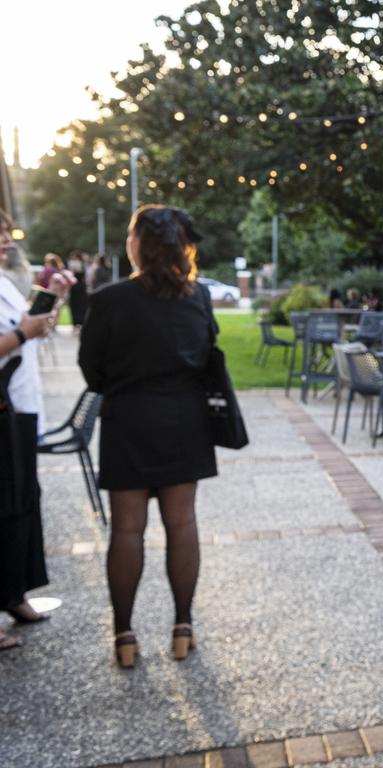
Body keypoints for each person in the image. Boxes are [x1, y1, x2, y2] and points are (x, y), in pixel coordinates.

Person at [79, 205, 217, 669]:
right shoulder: (196, 297)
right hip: (183, 420)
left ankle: (124, 635)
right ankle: (182, 626)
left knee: (127, 530)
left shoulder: (110, 298)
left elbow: (91, 371)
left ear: (138, 243)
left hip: (128, 422)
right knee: (182, 525)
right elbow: (206, 357)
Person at [0, 210, 66, 651]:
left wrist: (49, 308)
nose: (6, 239)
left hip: (19, 409)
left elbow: (26, 328)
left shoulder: (5, 283)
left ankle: (15, 595)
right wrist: (24, 334)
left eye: (6, 231)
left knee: (22, 504)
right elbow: (15, 336)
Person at [66, 249, 89, 330]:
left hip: (76, 287)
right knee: (79, 305)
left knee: (76, 305)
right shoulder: (83, 264)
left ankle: (77, 322)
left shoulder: (73, 264)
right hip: (80, 287)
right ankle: (79, 321)